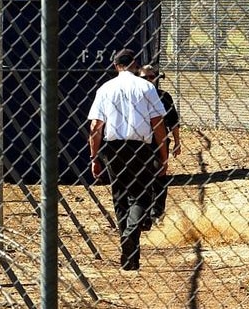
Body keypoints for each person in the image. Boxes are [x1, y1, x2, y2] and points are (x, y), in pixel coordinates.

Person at [87, 49, 168, 271]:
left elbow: (95, 127)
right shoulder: (146, 87)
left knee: (120, 198)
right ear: (135, 65)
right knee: (141, 195)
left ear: (115, 66)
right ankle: (130, 234)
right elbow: (158, 122)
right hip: (141, 147)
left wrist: (95, 157)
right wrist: (163, 154)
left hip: (113, 149)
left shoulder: (105, 88)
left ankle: (129, 256)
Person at [139, 65, 181, 225]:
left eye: (151, 77)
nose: (148, 80)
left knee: (159, 175)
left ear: (156, 78)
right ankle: (143, 213)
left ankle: (157, 212)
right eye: (144, 78)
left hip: (159, 143)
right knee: (141, 178)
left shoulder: (163, 96)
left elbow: (174, 122)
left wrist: (177, 142)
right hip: (139, 142)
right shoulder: (136, 96)